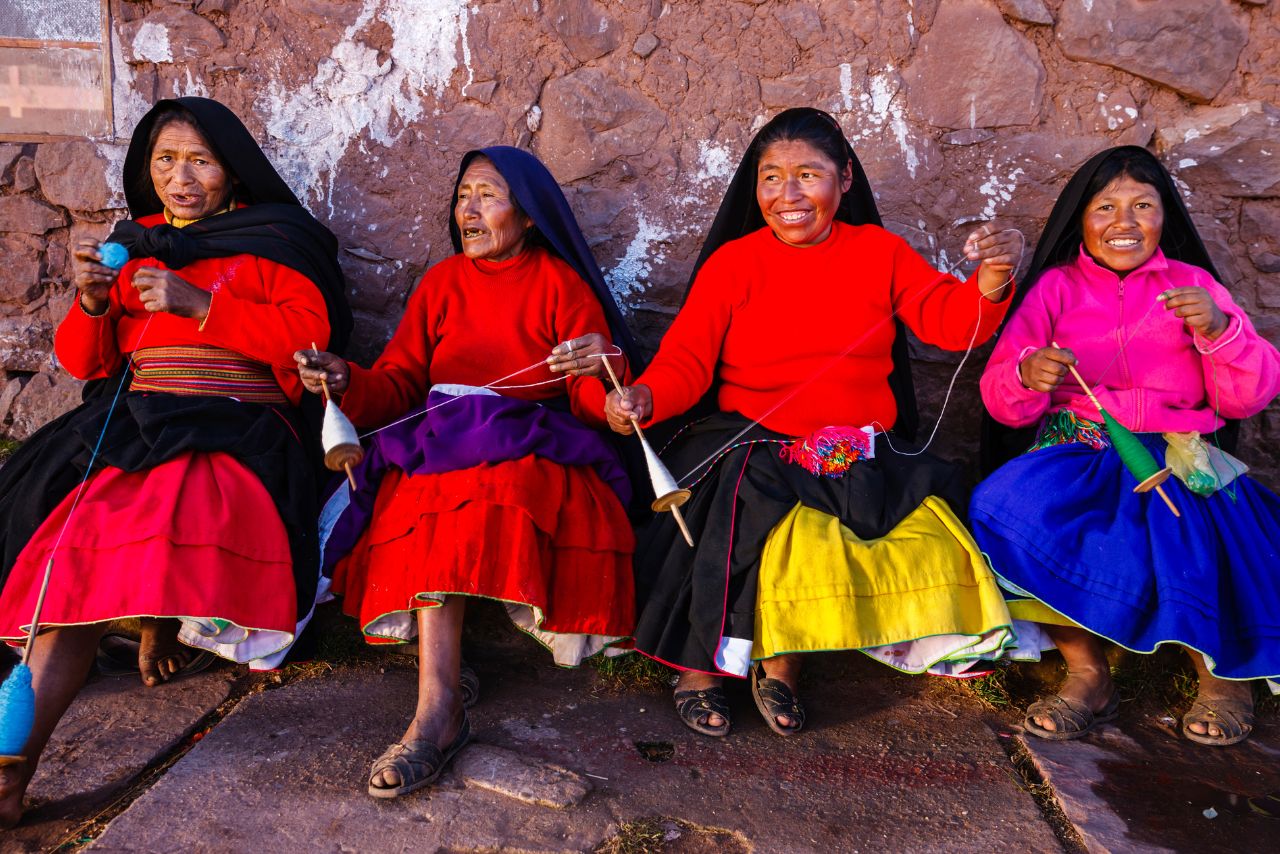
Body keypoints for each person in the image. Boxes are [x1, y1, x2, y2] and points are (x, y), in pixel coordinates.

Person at [604, 107, 1023, 738]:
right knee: (744, 518)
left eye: (808, 175)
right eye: (771, 178)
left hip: (856, 447)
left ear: (845, 180)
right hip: (752, 440)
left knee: (892, 540)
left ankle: (781, 668)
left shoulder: (879, 253)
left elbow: (947, 322)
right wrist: (640, 397)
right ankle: (701, 668)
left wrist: (991, 277)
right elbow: (685, 365)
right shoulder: (734, 264)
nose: (788, 195)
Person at [0, 96, 350, 827]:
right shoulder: (138, 244)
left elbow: (308, 348)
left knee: (169, 509)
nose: (179, 177)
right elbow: (85, 363)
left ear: (232, 169)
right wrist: (94, 304)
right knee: (76, 550)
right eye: (164, 160)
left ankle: (156, 619)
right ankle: (13, 771)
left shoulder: (277, 241)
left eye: (198, 160)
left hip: (237, 423)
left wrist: (202, 306)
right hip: (137, 419)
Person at [298, 146, 639, 798]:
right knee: (430, 497)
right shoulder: (442, 284)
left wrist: (612, 390)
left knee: (489, 490)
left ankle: (439, 709)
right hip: (440, 437)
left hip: (527, 436)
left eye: (488, 195)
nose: (470, 210)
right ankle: (438, 708)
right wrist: (347, 379)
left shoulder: (560, 285)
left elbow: (587, 396)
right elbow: (399, 381)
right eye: (463, 197)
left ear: (530, 215)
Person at [972, 145, 1280, 745]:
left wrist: (1220, 330)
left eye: (1143, 205)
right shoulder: (1056, 289)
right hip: (1079, 450)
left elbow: (1249, 396)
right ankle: (1089, 674)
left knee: (1187, 528)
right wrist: (1028, 373)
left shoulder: (1195, 286)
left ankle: (1222, 678)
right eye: (1105, 207)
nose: (1124, 222)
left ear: (1166, 218)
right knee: (1010, 505)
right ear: (1080, 221)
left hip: (1180, 452)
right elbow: (1000, 395)